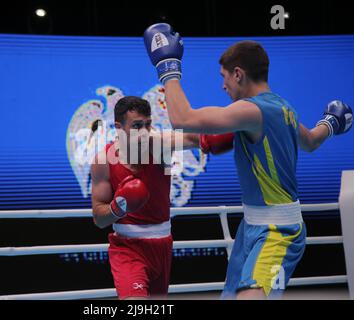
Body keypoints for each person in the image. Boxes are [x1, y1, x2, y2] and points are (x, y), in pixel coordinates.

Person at [143, 23, 352, 299]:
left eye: (225, 77)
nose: (223, 85)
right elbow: (311, 140)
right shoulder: (283, 107)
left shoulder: (251, 110)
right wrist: (331, 123)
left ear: (238, 74)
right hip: (251, 227)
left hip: (278, 230)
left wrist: (167, 67)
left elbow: (183, 119)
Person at [90, 96, 233, 299]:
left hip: (162, 245)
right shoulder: (103, 160)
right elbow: (99, 219)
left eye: (148, 125)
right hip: (127, 248)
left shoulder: (160, 145)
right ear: (118, 127)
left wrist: (237, 129)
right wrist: (119, 206)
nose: (144, 132)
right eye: (137, 126)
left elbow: (198, 138)